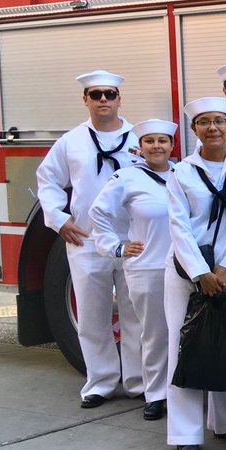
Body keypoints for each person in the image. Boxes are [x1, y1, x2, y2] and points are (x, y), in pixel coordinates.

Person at [36, 70, 144, 409]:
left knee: (136, 315)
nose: (103, 100)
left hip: (132, 240)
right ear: (85, 99)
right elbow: (47, 180)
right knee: (92, 316)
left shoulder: (139, 138)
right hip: (86, 239)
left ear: (119, 99)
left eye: (109, 94)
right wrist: (59, 220)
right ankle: (100, 382)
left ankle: (138, 381)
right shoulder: (71, 141)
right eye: (95, 94)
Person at [165, 97, 226, 450]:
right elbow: (178, 225)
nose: (213, 128)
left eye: (219, 121)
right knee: (185, 345)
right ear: (194, 129)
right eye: (204, 122)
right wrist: (201, 272)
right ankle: (185, 432)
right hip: (188, 271)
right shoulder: (181, 173)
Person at [89, 119, 177, 421]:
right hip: (147, 268)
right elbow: (98, 213)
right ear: (140, 147)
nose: (157, 146)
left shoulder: (184, 174)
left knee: (183, 333)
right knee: (154, 334)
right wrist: (116, 247)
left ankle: (183, 393)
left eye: (162, 140)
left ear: (172, 145)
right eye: (150, 141)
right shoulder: (127, 177)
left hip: (183, 268)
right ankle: (156, 395)